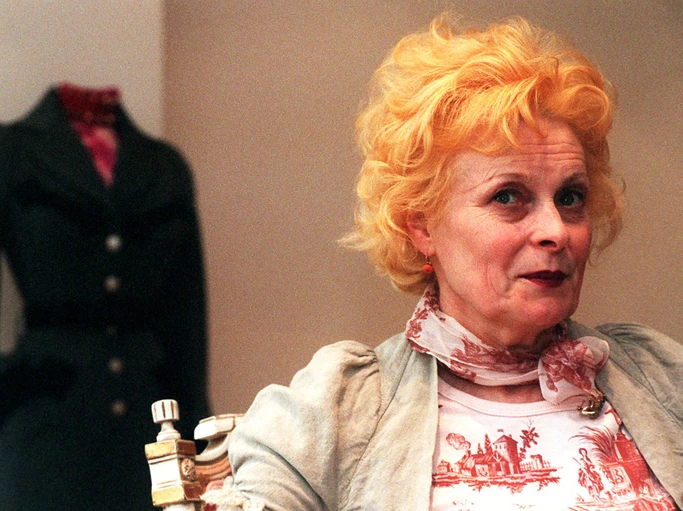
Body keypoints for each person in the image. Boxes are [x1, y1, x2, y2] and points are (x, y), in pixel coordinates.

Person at [203, 13, 682, 511]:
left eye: (570, 197)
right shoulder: (335, 413)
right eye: (508, 196)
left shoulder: (661, 377)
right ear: (421, 225)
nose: (556, 231)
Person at [0, 84, 210, 510]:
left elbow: (186, 321)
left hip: (150, 430)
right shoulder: (6, 152)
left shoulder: (164, 168)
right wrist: (13, 387)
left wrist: (201, 449)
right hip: (45, 431)